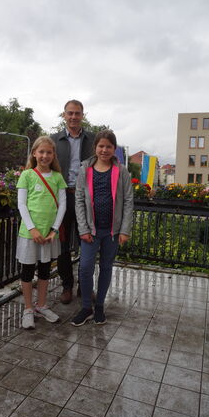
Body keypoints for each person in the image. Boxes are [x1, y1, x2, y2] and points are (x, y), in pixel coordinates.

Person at [71, 130, 134, 326]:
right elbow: (79, 200)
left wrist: (124, 230)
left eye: (108, 146)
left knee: (106, 267)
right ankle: (86, 307)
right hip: (91, 230)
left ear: (114, 149)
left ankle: (99, 306)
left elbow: (128, 201)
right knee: (86, 267)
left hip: (112, 232)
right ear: (95, 148)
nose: (104, 150)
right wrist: (83, 229)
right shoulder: (85, 170)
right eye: (101, 146)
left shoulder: (121, 171)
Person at [16, 136, 67, 329]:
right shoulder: (27, 175)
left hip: (49, 234)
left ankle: (42, 305)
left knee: (45, 270)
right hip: (30, 234)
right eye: (41, 152)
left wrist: (54, 230)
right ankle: (28, 308)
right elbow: (21, 204)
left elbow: (62, 205)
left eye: (49, 152)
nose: (45, 155)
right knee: (28, 270)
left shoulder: (57, 177)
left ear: (53, 155)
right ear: (34, 153)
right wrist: (32, 228)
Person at [51, 100, 95, 304]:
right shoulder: (53, 140)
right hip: (62, 197)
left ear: (82, 115)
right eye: (70, 113)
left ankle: (84, 286)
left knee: (87, 242)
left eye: (77, 113)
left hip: (85, 198)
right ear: (64, 115)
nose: (73, 117)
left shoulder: (93, 140)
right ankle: (67, 286)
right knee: (62, 245)